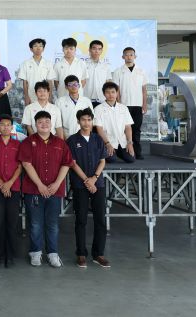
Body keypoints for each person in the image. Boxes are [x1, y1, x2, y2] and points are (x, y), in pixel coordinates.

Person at [19, 110, 73, 268]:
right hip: (33, 190)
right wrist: (40, 185)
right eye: (40, 122)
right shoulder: (28, 142)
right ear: (35, 124)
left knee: (53, 224)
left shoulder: (60, 143)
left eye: (47, 121)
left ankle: (52, 253)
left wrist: (57, 184)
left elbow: (66, 164)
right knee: (35, 223)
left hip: (54, 190)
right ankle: (35, 252)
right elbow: (26, 164)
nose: (44, 124)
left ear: (52, 124)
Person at [67, 108, 110, 269]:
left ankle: (99, 254)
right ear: (78, 121)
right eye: (83, 120)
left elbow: (103, 160)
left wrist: (94, 178)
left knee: (100, 219)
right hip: (80, 184)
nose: (86, 123)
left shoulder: (98, 139)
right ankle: (81, 254)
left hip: (98, 184)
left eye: (89, 120)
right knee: (81, 220)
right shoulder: (72, 140)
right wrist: (87, 180)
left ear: (92, 121)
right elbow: (72, 163)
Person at [0, 114, 22, 267]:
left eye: (8, 125)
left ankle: (10, 255)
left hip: (13, 188)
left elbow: (21, 166)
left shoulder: (18, 144)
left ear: (12, 127)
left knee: (12, 223)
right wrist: (2, 184)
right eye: (2, 124)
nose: (5, 127)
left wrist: (10, 183)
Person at [112, 47, 148, 160]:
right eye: (126, 55)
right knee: (123, 129)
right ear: (123, 57)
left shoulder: (141, 71)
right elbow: (116, 90)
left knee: (136, 129)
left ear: (135, 56)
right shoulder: (118, 71)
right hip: (124, 105)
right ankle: (124, 152)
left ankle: (137, 152)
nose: (129, 57)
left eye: (131, 55)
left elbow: (144, 90)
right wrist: (118, 104)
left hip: (137, 105)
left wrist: (144, 104)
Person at [93, 82, 136, 163]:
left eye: (113, 92)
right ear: (104, 94)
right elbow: (99, 129)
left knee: (131, 159)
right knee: (112, 160)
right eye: (108, 92)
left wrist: (129, 142)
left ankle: (118, 153)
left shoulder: (124, 108)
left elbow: (128, 127)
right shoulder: (98, 109)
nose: (111, 95)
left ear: (117, 93)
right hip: (108, 142)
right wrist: (107, 143)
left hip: (122, 142)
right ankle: (106, 152)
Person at [17, 38, 55, 105]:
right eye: (35, 46)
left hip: (44, 95)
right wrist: (26, 96)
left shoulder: (48, 63)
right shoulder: (25, 64)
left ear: (43, 49)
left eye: (40, 46)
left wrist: (50, 96)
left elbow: (50, 81)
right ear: (31, 49)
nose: (38, 48)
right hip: (31, 95)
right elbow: (25, 82)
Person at [84, 40, 112, 108]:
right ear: (89, 50)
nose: (96, 51)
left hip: (102, 100)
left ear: (102, 51)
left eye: (99, 49)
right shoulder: (83, 65)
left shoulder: (106, 66)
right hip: (86, 99)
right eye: (94, 48)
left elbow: (108, 83)